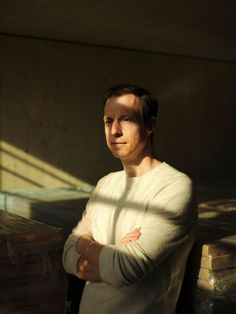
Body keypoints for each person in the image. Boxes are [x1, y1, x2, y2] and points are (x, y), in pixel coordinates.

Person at [63, 84, 197, 314]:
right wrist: (109, 251)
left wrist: (85, 244)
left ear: (150, 125)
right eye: (108, 121)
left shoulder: (174, 186)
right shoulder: (106, 184)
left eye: (125, 119)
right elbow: (67, 253)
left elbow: (125, 268)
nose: (114, 130)